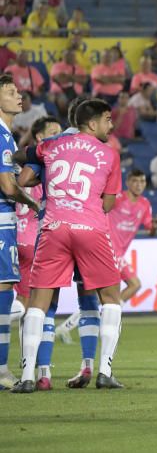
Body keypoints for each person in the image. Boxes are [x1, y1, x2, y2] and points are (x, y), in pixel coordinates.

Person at [13, 99, 122, 393]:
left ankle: (26, 377)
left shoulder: (51, 145)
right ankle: (104, 371)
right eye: (107, 120)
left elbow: (19, 158)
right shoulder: (109, 154)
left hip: (53, 228)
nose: (111, 126)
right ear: (92, 123)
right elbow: (109, 204)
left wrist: (29, 162)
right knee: (110, 298)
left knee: (38, 303)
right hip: (90, 228)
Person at [55, 169, 157, 344]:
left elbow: (150, 229)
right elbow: (101, 208)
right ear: (128, 182)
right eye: (135, 181)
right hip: (107, 249)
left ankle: (66, 327)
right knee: (132, 285)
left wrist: (154, 226)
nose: (139, 185)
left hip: (118, 253)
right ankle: (110, 315)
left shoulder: (144, 204)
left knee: (104, 297)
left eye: (142, 182)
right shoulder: (118, 199)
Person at [0, 78, 43, 390]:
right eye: (10, 92)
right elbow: (6, 186)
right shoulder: (1, 135)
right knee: (3, 292)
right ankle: (1, 369)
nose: (19, 96)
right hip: (1, 223)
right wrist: (33, 203)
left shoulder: (9, 136)